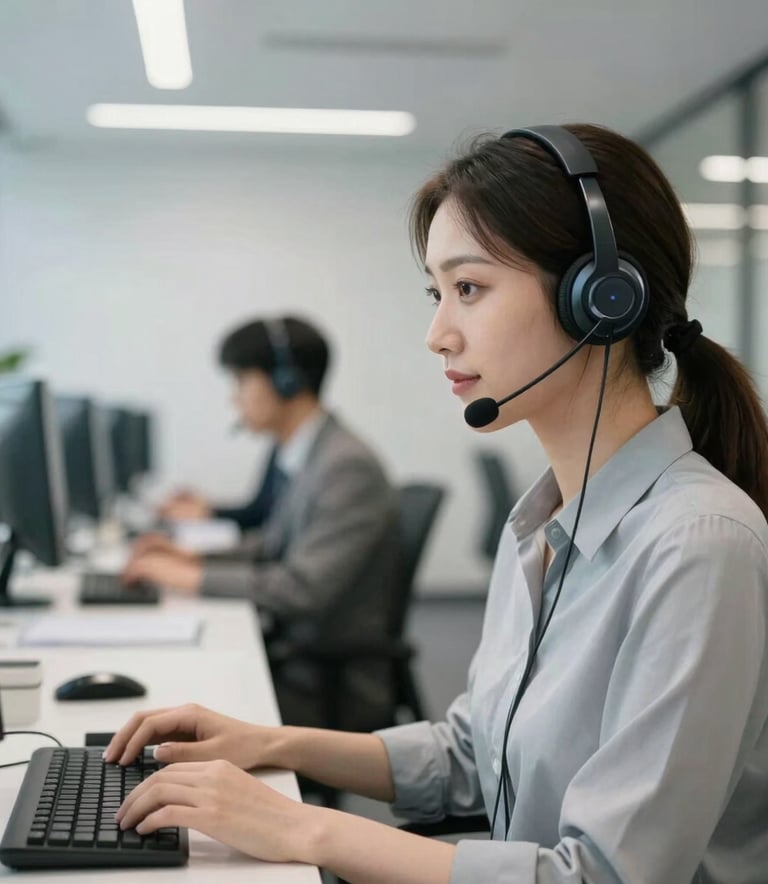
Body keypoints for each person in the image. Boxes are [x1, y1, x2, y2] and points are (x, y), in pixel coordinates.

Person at [104, 124, 768, 882]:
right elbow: (473, 752)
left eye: (470, 288)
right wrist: (268, 743)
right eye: (437, 292)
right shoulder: (544, 525)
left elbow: (601, 876)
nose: (437, 334)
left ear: (602, 300)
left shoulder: (699, 545)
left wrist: (303, 829)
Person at [124, 315, 402, 730]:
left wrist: (189, 577)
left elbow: (302, 589)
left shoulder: (345, 466)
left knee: (165, 703)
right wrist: (190, 557)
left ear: (286, 380)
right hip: (290, 655)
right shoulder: (310, 453)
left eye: (240, 381)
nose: (233, 399)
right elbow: (271, 543)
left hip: (323, 684)